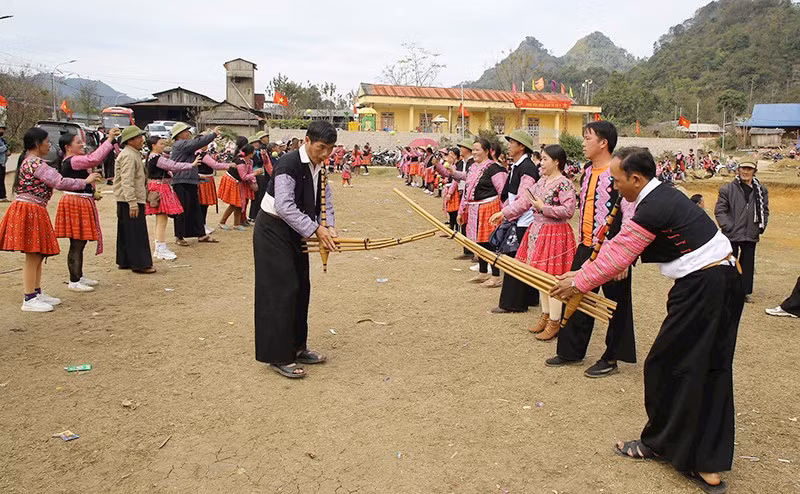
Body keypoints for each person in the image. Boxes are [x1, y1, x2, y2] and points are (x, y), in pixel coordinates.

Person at [552, 147, 744, 494]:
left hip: (705, 287)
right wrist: (581, 274)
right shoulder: (661, 196)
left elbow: (620, 253)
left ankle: (664, 445)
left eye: (617, 180)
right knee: (707, 367)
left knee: (668, 365)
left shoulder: (654, 206)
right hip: (723, 281)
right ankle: (703, 460)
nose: (614, 186)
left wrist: (578, 282)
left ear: (637, 179)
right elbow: (618, 248)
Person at [545, 121, 637, 378]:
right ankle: (570, 350)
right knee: (575, 292)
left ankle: (611, 357)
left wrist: (625, 258)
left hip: (613, 250)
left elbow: (630, 216)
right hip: (586, 245)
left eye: (588, 138)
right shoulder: (587, 170)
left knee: (615, 304)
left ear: (603, 143)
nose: (583, 143)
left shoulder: (619, 172)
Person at [254, 121, 338, 379]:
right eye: (321, 147)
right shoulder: (288, 164)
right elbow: (284, 206)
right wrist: (316, 230)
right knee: (281, 291)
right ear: (307, 141)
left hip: (296, 231)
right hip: (272, 231)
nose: (325, 154)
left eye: (330, 149)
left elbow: (325, 199)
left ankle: (298, 347)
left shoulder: (319, 166)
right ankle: (278, 355)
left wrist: (329, 226)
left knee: (301, 288)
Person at [0, 128, 101, 312]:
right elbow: (60, 182)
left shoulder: (31, 161)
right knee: (33, 255)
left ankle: (36, 292)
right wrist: (85, 182)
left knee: (37, 254)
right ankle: (29, 298)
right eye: (47, 141)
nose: (49, 145)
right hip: (30, 210)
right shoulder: (35, 163)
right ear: (37, 144)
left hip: (35, 209)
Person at [492, 144, 576, 339]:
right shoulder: (541, 182)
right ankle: (545, 316)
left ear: (557, 162)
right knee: (540, 277)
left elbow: (569, 211)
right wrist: (504, 213)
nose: (541, 163)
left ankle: (554, 321)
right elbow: (523, 202)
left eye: (545, 159)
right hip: (538, 232)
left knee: (553, 278)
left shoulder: (564, 184)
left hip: (555, 234)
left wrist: (543, 207)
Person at [53, 128, 120, 292]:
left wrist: (91, 192)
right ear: (68, 147)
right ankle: (74, 280)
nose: (82, 144)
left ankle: (78, 275)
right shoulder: (73, 160)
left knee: (80, 242)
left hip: (80, 200)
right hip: (75, 202)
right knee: (76, 242)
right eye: (78, 142)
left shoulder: (71, 160)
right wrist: (109, 139)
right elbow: (94, 159)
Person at [491, 129, 541, 314]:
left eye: (512, 142)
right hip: (517, 219)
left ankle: (513, 303)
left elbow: (525, 199)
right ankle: (529, 298)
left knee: (514, 261)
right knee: (524, 261)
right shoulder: (517, 166)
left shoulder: (527, 168)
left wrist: (505, 213)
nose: (509, 146)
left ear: (521, 146)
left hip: (523, 222)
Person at [714, 161, 769, 302]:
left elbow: (765, 210)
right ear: (738, 170)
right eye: (743, 168)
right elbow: (720, 210)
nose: (746, 172)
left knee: (747, 264)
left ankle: (743, 292)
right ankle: (727, 291)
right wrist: (728, 226)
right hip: (732, 232)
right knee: (729, 263)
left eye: (749, 169)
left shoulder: (761, 190)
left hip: (751, 232)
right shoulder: (727, 189)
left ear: (754, 171)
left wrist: (760, 227)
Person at [455, 139, 507, 287]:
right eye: (473, 149)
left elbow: (502, 191)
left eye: (477, 149)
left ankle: (495, 276)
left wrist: (504, 212)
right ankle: (483, 272)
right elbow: (467, 190)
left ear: (487, 151)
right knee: (478, 242)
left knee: (490, 242)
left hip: (489, 207)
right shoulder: (472, 167)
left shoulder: (494, 168)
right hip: (474, 208)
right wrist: (461, 210)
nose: (474, 152)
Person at [144, 136, 201, 260]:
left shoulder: (152, 157)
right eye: (161, 144)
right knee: (162, 220)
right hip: (160, 188)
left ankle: (159, 247)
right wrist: (191, 165)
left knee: (160, 220)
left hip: (157, 187)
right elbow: (173, 165)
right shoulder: (156, 158)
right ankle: (161, 247)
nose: (163, 146)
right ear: (153, 145)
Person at [169, 122, 221, 246]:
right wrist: (213, 134)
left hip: (188, 180)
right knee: (182, 210)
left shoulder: (183, 144)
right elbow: (197, 143)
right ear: (179, 134)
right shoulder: (180, 144)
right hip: (181, 181)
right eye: (185, 131)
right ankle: (179, 236)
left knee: (195, 209)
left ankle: (201, 234)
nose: (188, 133)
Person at [114, 126, 155, 274]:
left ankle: (125, 260)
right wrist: (132, 202)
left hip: (126, 199)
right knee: (136, 232)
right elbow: (127, 180)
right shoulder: (129, 156)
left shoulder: (131, 153)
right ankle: (140, 264)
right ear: (130, 140)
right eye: (138, 137)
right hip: (130, 200)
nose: (142, 140)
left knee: (126, 232)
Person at [218, 141, 262, 230]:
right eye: (253, 151)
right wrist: (255, 174)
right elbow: (244, 176)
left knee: (239, 203)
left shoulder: (249, 161)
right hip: (233, 181)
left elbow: (249, 172)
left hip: (239, 182)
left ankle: (237, 223)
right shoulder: (241, 162)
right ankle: (222, 222)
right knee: (234, 203)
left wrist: (253, 182)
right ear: (250, 153)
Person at [453, 139, 475, 260]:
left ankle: (472, 251)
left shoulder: (473, 163)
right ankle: (467, 250)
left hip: (470, 197)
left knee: (470, 224)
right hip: (464, 194)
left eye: (462, 146)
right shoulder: (463, 163)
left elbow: (468, 178)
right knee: (464, 222)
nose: (460, 149)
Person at [0, 125, 9, 202]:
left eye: (3, 129)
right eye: (1, 129)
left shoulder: (2, 140)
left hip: (2, 163)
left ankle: (2, 196)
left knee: (2, 179)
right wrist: (5, 147)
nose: (2, 131)